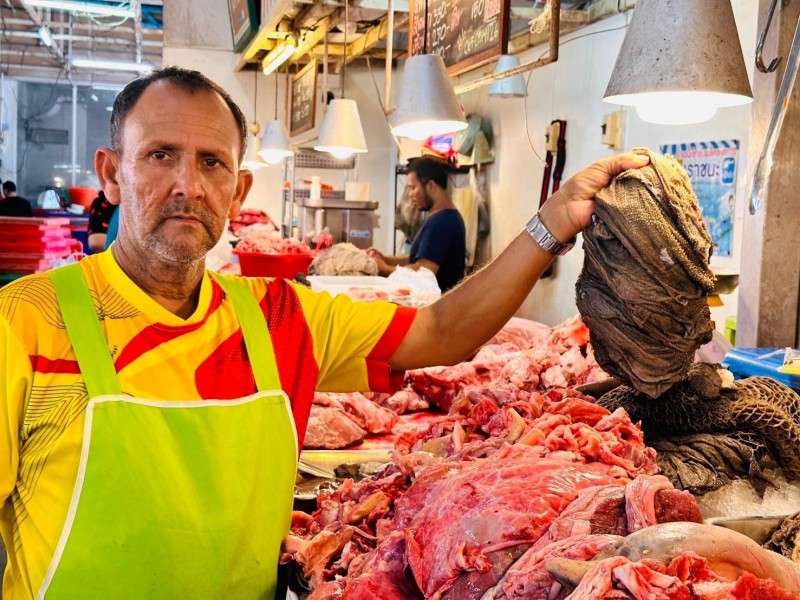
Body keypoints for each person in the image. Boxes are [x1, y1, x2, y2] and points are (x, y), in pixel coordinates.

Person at [0, 65, 649, 599]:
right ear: (111, 173)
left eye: (212, 163)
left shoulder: (281, 317)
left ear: (238, 189)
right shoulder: (25, 321)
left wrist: (551, 222)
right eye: (160, 155)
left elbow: (445, 330)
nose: (187, 185)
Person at [367, 156, 467, 292]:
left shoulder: (442, 222)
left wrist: (385, 269)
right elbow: (415, 261)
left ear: (431, 186)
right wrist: (386, 259)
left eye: (413, 188)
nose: (410, 194)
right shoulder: (442, 217)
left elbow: (424, 271)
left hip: (437, 303)